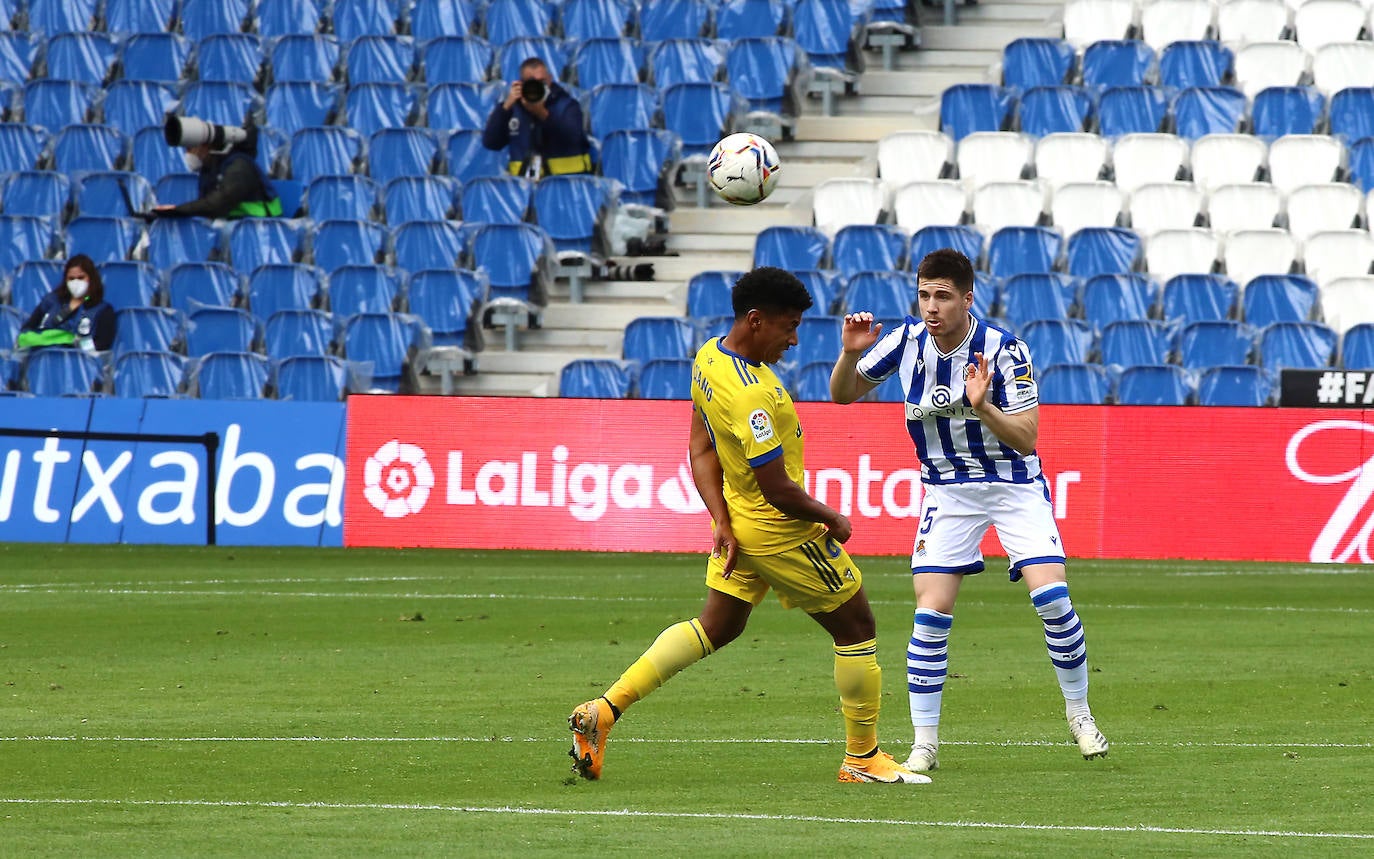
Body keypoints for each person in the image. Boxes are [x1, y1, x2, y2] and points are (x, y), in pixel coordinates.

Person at [568, 267, 928, 785]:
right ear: (756, 320)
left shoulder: (709, 357)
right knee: (857, 629)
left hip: (740, 523)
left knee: (719, 625)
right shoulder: (750, 395)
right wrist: (832, 518)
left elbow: (698, 447)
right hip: (782, 531)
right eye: (788, 326)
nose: (794, 338)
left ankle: (602, 711)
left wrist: (721, 521)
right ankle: (863, 758)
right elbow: (778, 488)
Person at [828, 248, 1109, 772]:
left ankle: (1079, 712)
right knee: (930, 614)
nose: (931, 307)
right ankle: (925, 743)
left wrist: (983, 406)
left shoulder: (1005, 351)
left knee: (1052, 598)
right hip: (948, 492)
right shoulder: (905, 341)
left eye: (943, 296)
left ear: (967, 298)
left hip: (1012, 485)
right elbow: (842, 394)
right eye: (924, 295)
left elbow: (1027, 439)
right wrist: (848, 353)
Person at [481, 57, 591, 179]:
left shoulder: (567, 105)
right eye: (531, 82)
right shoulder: (513, 108)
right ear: (521, 84)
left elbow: (572, 137)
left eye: (542, 82)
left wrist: (542, 113)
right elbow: (491, 143)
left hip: (563, 185)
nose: (538, 86)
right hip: (524, 186)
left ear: (550, 79)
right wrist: (505, 107)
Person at [154, 118, 281, 219]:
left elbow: (218, 205)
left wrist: (178, 211)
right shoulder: (211, 166)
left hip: (259, 231)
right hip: (233, 226)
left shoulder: (239, 166)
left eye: (190, 148)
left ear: (206, 146)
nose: (188, 153)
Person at [17, 254, 117, 353]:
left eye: (81, 277)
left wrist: (73, 347)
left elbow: (103, 344)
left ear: (91, 279)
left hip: (81, 364)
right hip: (45, 360)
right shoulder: (51, 301)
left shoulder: (103, 309)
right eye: (71, 278)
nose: (76, 282)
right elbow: (27, 330)